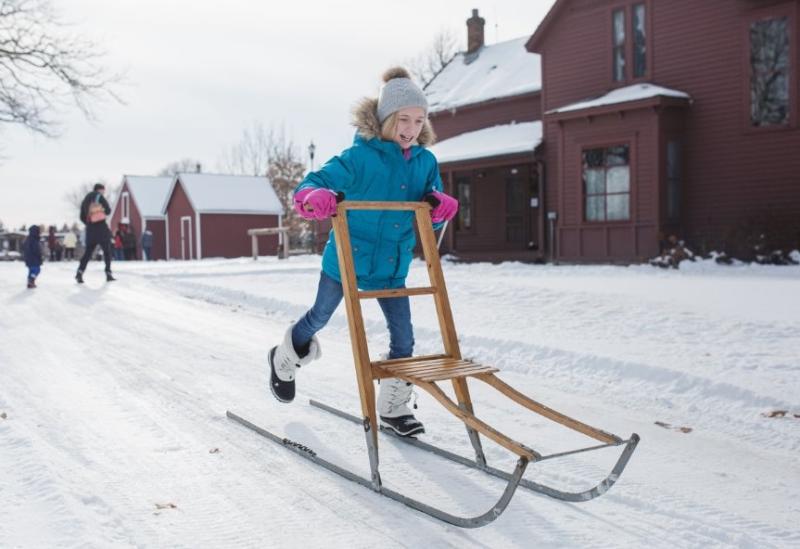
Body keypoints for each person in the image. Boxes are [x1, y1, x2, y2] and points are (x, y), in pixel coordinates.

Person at [267, 67, 459, 437]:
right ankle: (284, 356)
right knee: (320, 316)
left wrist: (439, 209)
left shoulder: (425, 162)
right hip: (346, 261)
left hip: (392, 265)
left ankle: (392, 406)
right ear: (386, 118)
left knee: (404, 335)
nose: (411, 128)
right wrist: (314, 197)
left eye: (419, 121)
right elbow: (310, 186)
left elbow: (429, 218)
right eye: (403, 119)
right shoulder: (358, 158)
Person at [76, 183, 116, 283]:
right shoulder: (99, 197)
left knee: (88, 253)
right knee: (107, 252)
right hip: (101, 228)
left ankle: (79, 272)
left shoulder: (85, 200)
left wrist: (90, 223)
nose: (104, 193)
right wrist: (100, 213)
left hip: (90, 230)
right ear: (100, 190)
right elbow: (108, 211)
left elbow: (81, 217)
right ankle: (108, 273)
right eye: (103, 191)